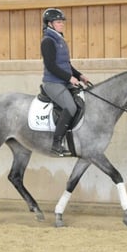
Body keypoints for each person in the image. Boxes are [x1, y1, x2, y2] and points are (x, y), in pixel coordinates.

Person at [40, 8, 89, 156]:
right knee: (71, 107)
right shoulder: (48, 41)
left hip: (63, 82)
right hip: (53, 83)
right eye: (58, 22)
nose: (62, 24)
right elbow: (51, 66)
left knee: (83, 101)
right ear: (50, 24)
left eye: (62, 22)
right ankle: (56, 143)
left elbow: (66, 64)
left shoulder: (59, 39)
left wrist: (80, 76)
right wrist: (69, 78)